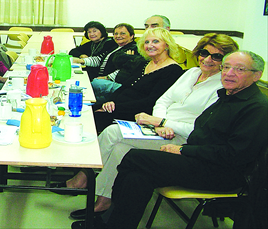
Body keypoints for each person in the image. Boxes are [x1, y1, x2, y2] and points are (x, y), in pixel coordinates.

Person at [63, 34, 239, 228]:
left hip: (182, 138)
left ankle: (86, 182)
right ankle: (104, 200)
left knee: (113, 132)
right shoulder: (191, 73)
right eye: (204, 53)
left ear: (227, 61)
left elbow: (201, 128)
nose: (207, 59)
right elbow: (163, 100)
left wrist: (164, 122)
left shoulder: (223, 86)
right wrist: (159, 122)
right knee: (120, 147)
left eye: (216, 56)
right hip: (159, 128)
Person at [103, 50, 267, 229]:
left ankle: (107, 214)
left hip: (222, 172)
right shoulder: (227, 96)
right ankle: (112, 223)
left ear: (257, 75)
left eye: (239, 69)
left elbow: (234, 155)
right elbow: (201, 131)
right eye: (226, 67)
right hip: (199, 158)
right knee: (137, 177)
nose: (229, 73)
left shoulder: (257, 108)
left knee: (135, 157)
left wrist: (182, 150)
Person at [93, 28, 184, 131]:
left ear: (167, 45)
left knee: (91, 119)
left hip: (137, 114)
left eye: (155, 41)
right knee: (86, 110)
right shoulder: (144, 63)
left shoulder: (173, 70)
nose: (150, 45)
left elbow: (151, 102)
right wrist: (110, 101)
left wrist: (115, 108)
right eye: (146, 42)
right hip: (118, 106)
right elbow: (125, 87)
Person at [74, 23, 139, 102]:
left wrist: (107, 77)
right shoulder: (116, 46)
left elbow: (125, 69)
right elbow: (99, 60)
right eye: (116, 34)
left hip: (114, 82)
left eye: (122, 33)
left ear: (132, 36)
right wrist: (81, 61)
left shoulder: (132, 48)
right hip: (102, 78)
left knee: (90, 84)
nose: (118, 36)